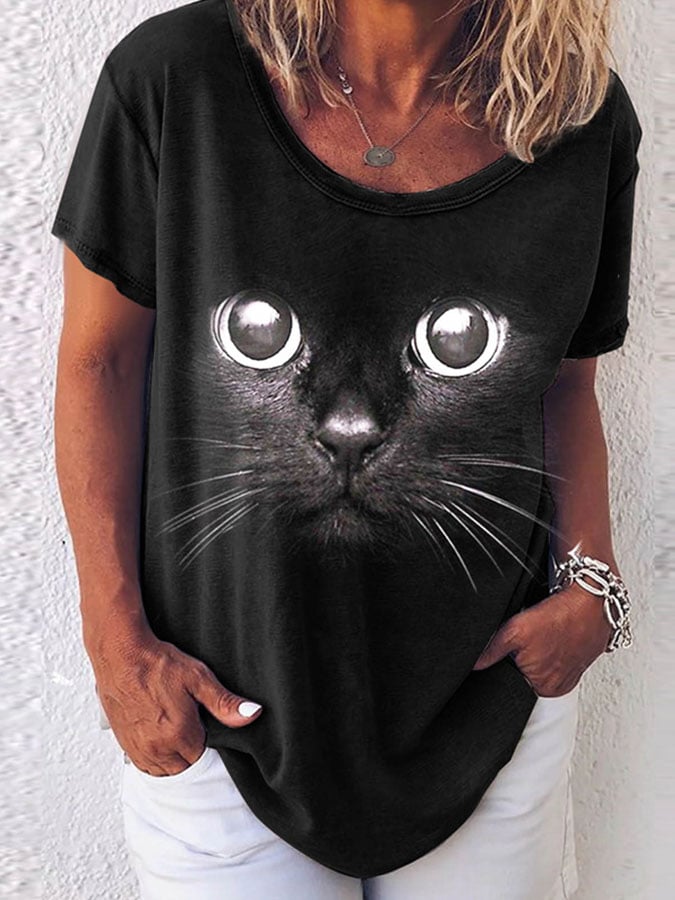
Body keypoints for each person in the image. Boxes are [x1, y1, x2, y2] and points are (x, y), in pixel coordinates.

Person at [50, 0, 641, 897]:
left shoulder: (578, 114)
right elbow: (101, 363)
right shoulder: (177, 77)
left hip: (485, 701)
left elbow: (562, 382)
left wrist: (590, 584)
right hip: (220, 703)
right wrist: (115, 640)